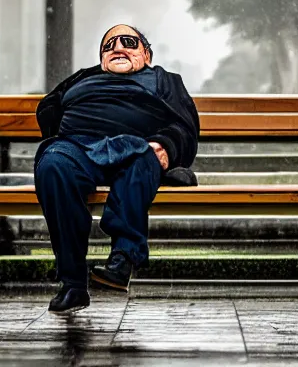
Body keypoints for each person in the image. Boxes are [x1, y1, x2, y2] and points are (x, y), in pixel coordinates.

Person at [34, 24, 199, 314]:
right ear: (101, 60)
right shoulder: (83, 78)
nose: (117, 48)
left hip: (136, 146)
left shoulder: (164, 80)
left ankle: (123, 259)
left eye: (128, 41)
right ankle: (72, 283)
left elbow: (185, 126)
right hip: (78, 147)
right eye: (108, 45)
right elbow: (50, 110)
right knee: (52, 165)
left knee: (143, 157)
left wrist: (166, 146)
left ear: (146, 54)